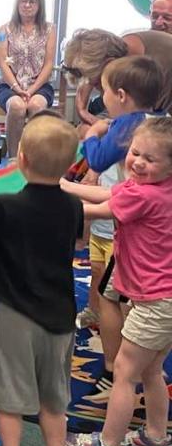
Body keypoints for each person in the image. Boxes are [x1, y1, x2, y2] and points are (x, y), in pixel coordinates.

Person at [0, 113, 82, 446]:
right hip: (61, 315)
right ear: (69, 165)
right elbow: (78, 242)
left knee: (11, 398)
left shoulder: (3, 204)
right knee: (55, 400)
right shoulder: (74, 205)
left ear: (22, 159)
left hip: (15, 314)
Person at [63, 117, 172, 446]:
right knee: (151, 368)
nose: (138, 162)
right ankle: (156, 437)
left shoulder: (146, 195)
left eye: (150, 159)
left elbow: (100, 210)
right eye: (135, 153)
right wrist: (65, 185)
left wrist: (47, 200)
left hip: (157, 301)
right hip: (162, 298)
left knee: (125, 371)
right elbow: (110, 194)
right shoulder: (155, 185)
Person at [65, 56, 163, 402]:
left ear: (121, 95)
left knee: (111, 296)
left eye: (104, 91)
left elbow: (97, 160)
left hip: (130, 225)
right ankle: (138, 365)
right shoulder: (160, 123)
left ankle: (113, 370)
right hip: (143, 224)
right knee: (123, 296)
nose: (102, 97)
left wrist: (91, 134)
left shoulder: (126, 125)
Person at [0, 0, 57, 157]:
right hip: (9, 84)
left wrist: (31, 90)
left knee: (36, 105)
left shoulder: (50, 29)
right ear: (17, 3)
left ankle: (35, 157)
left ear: (39, 5)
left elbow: (49, 64)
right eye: (23, 1)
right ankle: (14, 158)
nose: (27, 5)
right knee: (17, 106)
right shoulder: (4, 29)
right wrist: (17, 88)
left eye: (32, 2)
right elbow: (3, 62)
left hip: (39, 85)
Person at [62, 28, 172, 122]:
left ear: (109, 63)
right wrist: (82, 111)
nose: (97, 88)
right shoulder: (113, 55)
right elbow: (87, 77)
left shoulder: (136, 70)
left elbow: (133, 119)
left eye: (97, 84)